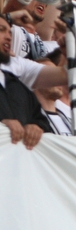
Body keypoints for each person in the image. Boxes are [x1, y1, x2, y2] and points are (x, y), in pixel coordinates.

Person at [0, 14, 51, 148]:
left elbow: (42, 122)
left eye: (10, 32)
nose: (8, 37)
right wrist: (2, 126)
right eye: (1, 30)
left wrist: (36, 127)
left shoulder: (18, 87)